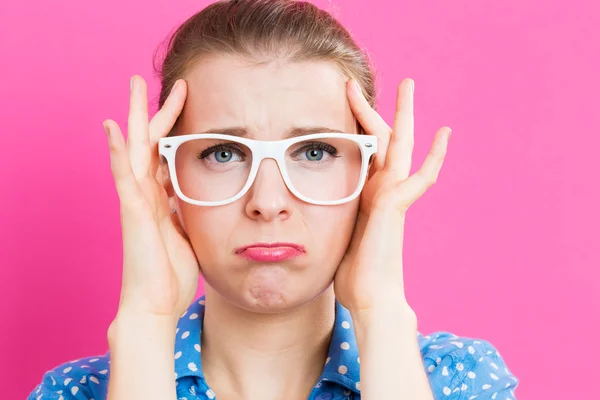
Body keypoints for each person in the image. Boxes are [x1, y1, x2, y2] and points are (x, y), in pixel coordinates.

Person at [28, 0, 519, 399]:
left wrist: (381, 312)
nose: (267, 202)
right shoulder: (80, 393)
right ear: (167, 179)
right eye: (223, 153)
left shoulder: (456, 383)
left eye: (314, 150)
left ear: (372, 175)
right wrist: (146, 324)